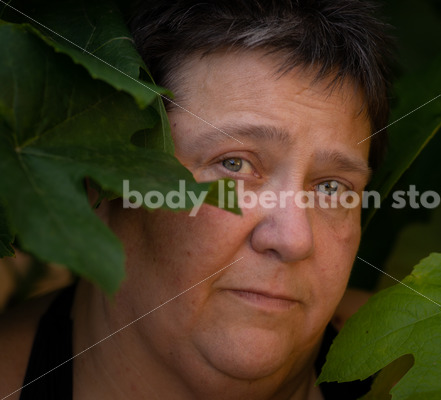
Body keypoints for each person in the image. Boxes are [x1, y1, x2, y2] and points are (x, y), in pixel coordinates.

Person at [0, 0, 392, 398]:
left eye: (331, 187)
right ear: (103, 178)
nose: (293, 239)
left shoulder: (415, 375)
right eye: (235, 164)